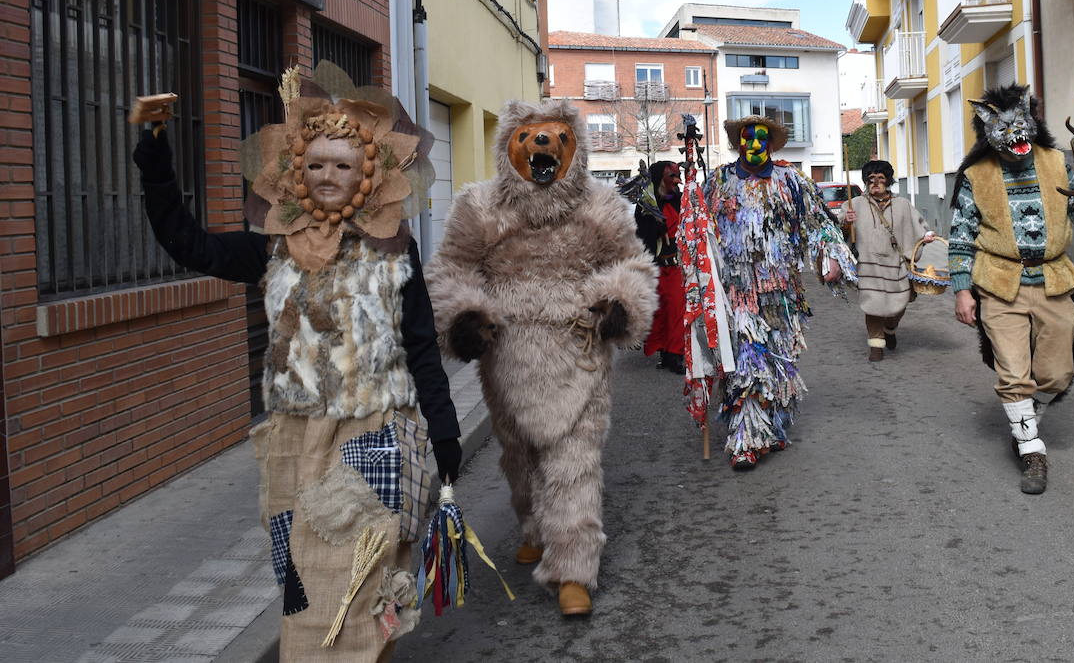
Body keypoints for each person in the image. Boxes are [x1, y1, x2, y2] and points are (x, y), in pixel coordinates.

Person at [132, 64, 463, 661]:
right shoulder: (272, 248)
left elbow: (420, 346)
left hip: (374, 433)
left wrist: (445, 431)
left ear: (369, 171)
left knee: (360, 580)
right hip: (292, 442)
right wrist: (155, 156)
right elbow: (188, 242)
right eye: (317, 164)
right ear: (296, 173)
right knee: (305, 589)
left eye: (344, 163)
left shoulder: (394, 249)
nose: (330, 175)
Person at [425, 99, 657, 617]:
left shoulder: (601, 206)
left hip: (580, 347)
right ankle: (532, 523)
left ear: (575, 147)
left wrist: (617, 303)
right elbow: (452, 268)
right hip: (507, 352)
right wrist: (465, 316)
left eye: (555, 137)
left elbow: (632, 263)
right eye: (530, 137)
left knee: (575, 457)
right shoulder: (480, 206)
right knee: (520, 452)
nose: (542, 146)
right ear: (509, 147)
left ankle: (573, 567)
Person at [947, 84, 1074, 495]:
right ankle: (1032, 450)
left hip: (1054, 282)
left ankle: (1024, 419)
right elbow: (961, 235)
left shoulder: (1056, 162)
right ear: (987, 134)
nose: (1016, 134)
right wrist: (962, 290)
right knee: (1013, 373)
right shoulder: (975, 177)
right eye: (1003, 128)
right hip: (999, 286)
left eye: (1022, 123)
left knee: (1058, 373)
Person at [703, 115, 857, 470]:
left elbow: (819, 223)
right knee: (746, 362)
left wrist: (830, 256)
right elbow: (701, 232)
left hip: (783, 294)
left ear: (771, 144)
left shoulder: (791, 181)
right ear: (738, 143)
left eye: (761, 139)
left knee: (780, 362)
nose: (754, 145)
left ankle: (771, 427)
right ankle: (745, 439)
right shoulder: (719, 182)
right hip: (738, 292)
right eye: (747, 138)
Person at [841, 160, 936, 362]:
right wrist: (845, 222)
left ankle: (890, 328)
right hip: (868, 265)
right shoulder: (854, 204)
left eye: (880, 178)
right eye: (871, 179)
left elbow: (919, 224)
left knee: (900, 303)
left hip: (897, 265)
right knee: (873, 305)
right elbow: (839, 233)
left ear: (888, 181)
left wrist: (926, 235)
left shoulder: (902, 204)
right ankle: (876, 345)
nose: (875, 182)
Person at [634, 161, 687, 373]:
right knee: (659, 312)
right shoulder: (645, 206)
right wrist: (657, 225)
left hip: (675, 268)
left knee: (676, 310)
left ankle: (675, 355)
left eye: (677, 175)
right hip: (655, 267)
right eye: (671, 176)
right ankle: (664, 353)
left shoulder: (681, 200)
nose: (676, 180)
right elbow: (641, 238)